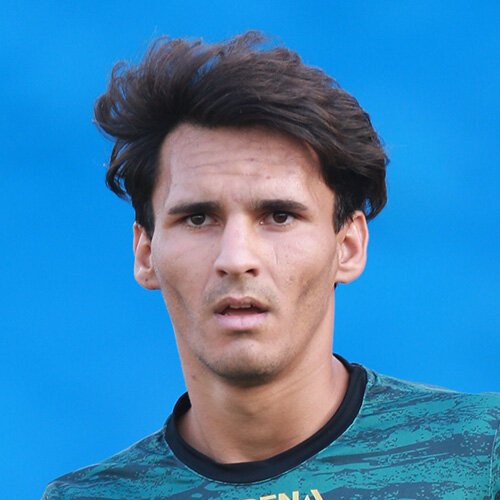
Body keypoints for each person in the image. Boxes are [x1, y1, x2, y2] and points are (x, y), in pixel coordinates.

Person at [43, 31, 499, 499]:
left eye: (279, 216)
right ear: (146, 254)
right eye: (198, 218)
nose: (236, 259)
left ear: (348, 246)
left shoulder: (483, 453)